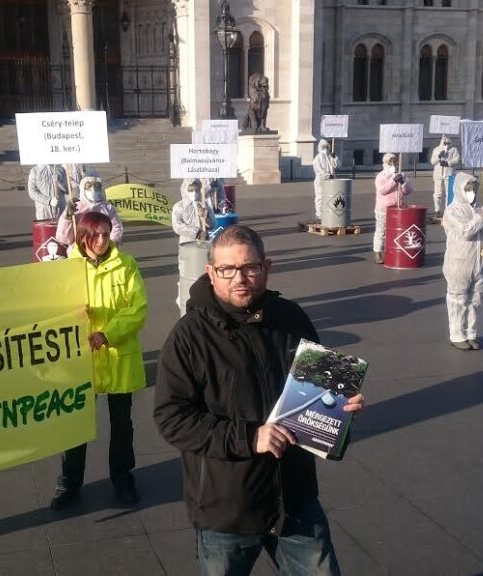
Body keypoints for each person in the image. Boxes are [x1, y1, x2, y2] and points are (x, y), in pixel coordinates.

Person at [154, 225, 364, 576]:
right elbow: (171, 418)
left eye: (250, 268)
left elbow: (320, 391)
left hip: (293, 497)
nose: (240, 279)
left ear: (267, 267)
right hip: (227, 507)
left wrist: (342, 409)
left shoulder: (291, 317)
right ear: (211, 272)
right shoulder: (188, 336)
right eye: (227, 270)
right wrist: (250, 436)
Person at [51, 211, 148, 510]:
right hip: (82, 358)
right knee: (76, 422)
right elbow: (52, 308)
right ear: (82, 236)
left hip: (118, 355)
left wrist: (108, 333)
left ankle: (122, 477)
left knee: (122, 423)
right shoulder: (68, 268)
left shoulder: (127, 264)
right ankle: (69, 482)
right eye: (95, 235)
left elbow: (138, 308)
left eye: (106, 234)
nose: (102, 241)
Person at [442, 173, 483, 351]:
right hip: (459, 262)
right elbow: (465, 231)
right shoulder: (452, 211)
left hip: (478, 263)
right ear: (459, 190)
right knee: (458, 299)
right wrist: (482, 217)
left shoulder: (480, 209)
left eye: (474, 189)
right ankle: (457, 334)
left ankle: (470, 333)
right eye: (468, 189)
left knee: (475, 299)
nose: (472, 192)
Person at [55, 176, 123, 245]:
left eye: (96, 186)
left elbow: (116, 228)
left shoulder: (108, 208)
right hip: (80, 249)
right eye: (89, 186)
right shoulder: (75, 207)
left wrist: (110, 244)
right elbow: (64, 238)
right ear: (82, 188)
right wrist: (67, 217)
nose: (93, 190)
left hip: (102, 248)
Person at [373, 153, 414, 264]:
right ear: (386, 163)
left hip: (398, 207)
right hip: (384, 208)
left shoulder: (401, 174)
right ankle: (378, 252)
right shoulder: (381, 176)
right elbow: (382, 190)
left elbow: (409, 191)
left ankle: (394, 251)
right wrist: (393, 181)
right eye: (390, 162)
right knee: (381, 231)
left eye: (395, 161)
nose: (393, 164)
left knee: (397, 231)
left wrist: (403, 183)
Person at [172, 178, 216, 244]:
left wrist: (206, 217)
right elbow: (177, 226)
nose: (194, 193)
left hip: (204, 243)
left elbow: (213, 225)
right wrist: (197, 233)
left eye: (196, 190)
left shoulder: (204, 204)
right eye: (191, 190)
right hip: (187, 243)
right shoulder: (179, 206)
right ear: (185, 190)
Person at [429, 135, 460, 222]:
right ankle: (437, 210)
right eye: (445, 143)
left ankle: (448, 211)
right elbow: (432, 162)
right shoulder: (436, 150)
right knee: (437, 193)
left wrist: (448, 163)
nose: (446, 144)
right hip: (438, 174)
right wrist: (439, 156)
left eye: (448, 143)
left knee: (449, 193)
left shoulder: (453, 149)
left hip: (449, 173)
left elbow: (457, 159)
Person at [312, 140, 340, 220]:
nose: (325, 149)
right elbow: (318, 169)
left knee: (332, 197)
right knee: (320, 197)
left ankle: (330, 214)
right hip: (320, 182)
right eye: (323, 147)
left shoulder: (330, 156)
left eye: (327, 147)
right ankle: (319, 215)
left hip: (331, 181)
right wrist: (327, 175)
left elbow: (338, 165)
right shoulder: (317, 158)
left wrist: (335, 158)